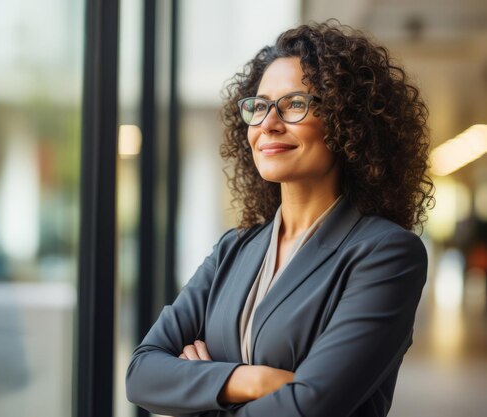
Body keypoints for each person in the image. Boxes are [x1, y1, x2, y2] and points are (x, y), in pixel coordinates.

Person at [126, 21, 434, 417]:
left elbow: (309, 406)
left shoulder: (387, 254)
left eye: (294, 104)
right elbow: (141, 373)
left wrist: (199, 388)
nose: (268, 123)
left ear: (347, 122)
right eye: (259, 106)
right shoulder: (233, 249)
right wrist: (252, 379)